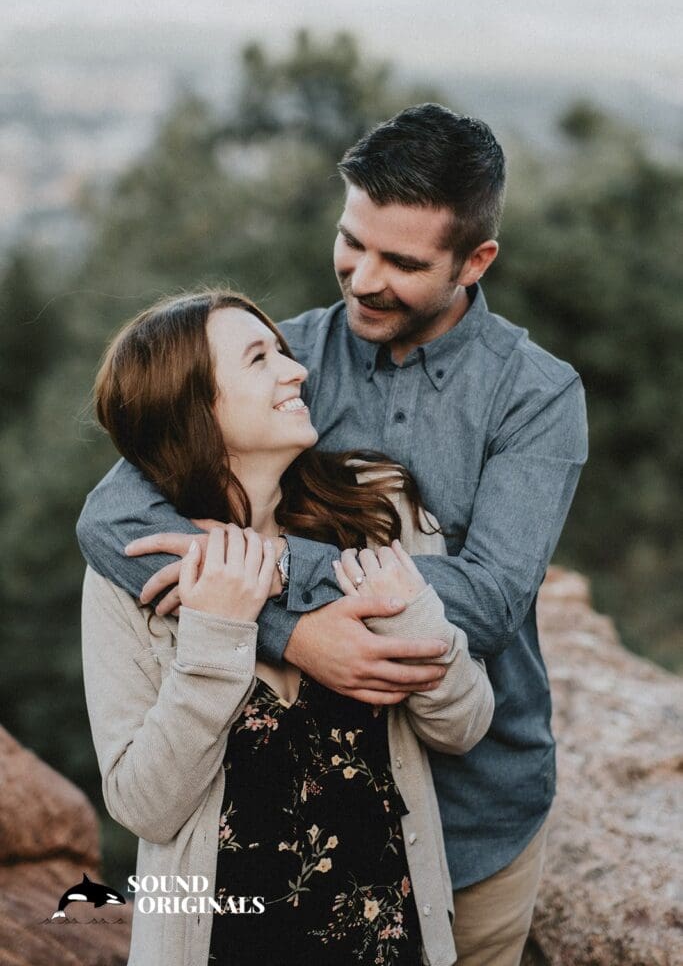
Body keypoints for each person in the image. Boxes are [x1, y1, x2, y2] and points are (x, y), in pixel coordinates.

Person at [78, 103, 589, 966]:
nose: (361, 279)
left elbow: (489, 602)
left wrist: (273, 566)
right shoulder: (291, 360)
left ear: (475, 261)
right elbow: (112, 517)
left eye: (401, 261)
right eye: (352, 241)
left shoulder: (536, 396)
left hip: (475, 812)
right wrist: (292, 634)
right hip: (264, 846)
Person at [82, 289, 494, 966]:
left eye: (283, 351)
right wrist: (215, 633)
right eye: (258, 358)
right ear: (195, 408)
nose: (295, 370)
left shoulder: (379, 506)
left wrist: (410, 604)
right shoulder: (131, 574)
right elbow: (143, 806)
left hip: (387, 944)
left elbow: (463, 724)